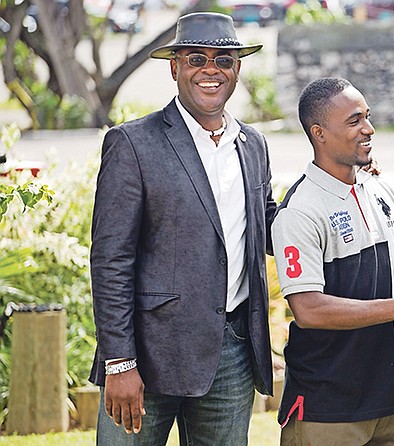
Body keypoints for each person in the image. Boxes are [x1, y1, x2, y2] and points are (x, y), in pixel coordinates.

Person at [88, 12, 277, 445]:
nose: (211, 69)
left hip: (231, 352)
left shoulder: (253, 145)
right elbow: (110, 259)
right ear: (175, 67)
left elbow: (269, 224)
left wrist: (340, 179)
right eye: (197, 58)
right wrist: (120, 362)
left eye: (223, 60)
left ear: (237, 69)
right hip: (146, 355)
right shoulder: (134, 143)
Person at [271, 77, 394, 446]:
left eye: (367, 116)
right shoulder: (299, 211)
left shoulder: (383, 189)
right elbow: (309, 310)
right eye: (354, 121)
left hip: (393, 407)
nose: (369, 128)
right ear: (319, 133)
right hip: (327, 413)